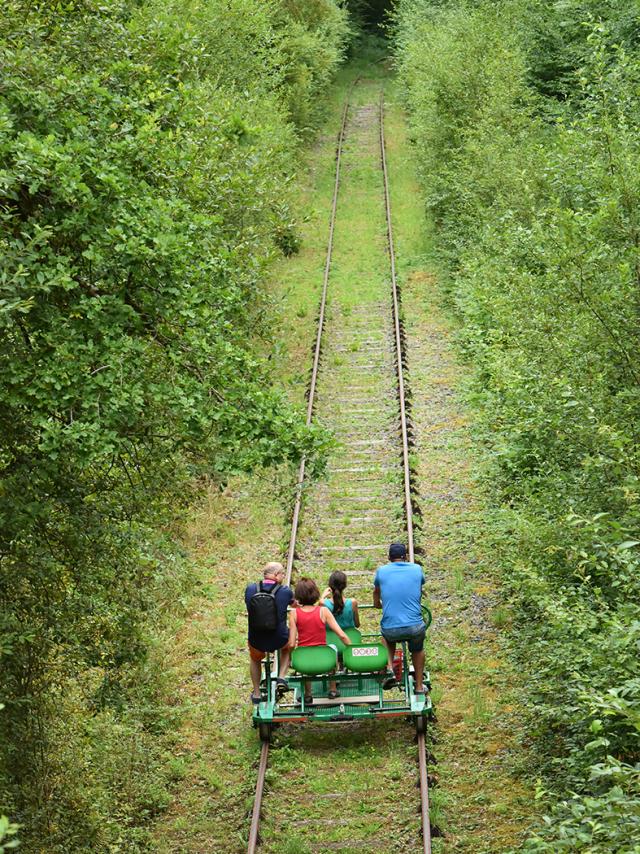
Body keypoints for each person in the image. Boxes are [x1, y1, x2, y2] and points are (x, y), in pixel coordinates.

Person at [373, 542, 427, 695]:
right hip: (415, 627)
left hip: (392, 629)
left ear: (389, 557)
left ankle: (390, 668)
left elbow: (376, 592)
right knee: (418, 649)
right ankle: (418, 686)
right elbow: (418, 588)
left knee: (387, 637)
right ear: (406, 557)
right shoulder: (417, 569)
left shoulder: (382, 571)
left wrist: (377, 604)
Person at [289, 577, 351, 703]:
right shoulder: (323, 611)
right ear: (315, 593)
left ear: (298, 595)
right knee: (332, 648)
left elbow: (291, 643)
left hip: (303, 660)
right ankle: (332, 689)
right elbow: (342, 635)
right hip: (325, 659)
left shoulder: (294, 614)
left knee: (304, 656)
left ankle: (307, 694)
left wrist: (291, 658)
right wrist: (352, 648)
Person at [245, 562, 293, 704]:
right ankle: (282, 677)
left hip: (256, 639)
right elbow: (294, 603)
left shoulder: (250, 589)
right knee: (289, 646)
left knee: (255, 659)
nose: (284, 576)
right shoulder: (285, 591)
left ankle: (257, 693)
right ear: (276, 575)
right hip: (279, 639)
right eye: (283, 574)